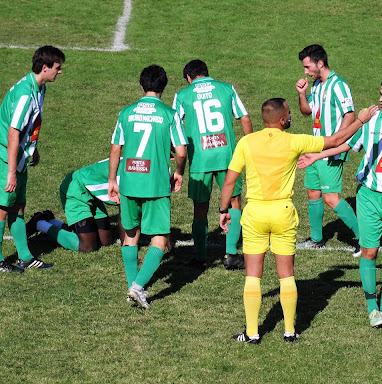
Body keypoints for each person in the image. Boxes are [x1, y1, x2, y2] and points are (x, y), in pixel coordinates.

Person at [219, 98, 377, 343]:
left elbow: (230, 181)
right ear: (282, 120)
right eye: (290, 112)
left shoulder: (246, 142)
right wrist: (360, 121)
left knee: (253, 276)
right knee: (286, 276)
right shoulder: (294, 141)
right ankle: (290, 331)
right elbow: (335, 140)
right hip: (282, 213)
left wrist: (223, 210)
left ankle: (252, 333)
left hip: (255, 213)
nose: (292, 115)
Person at [298, 76, 382, 328]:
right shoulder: (370, 122)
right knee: (369, 251)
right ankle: (372, 309)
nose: (380, 99)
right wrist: (317, 155)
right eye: (380, 94)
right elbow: (346, 145)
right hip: (369, 196)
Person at [108, 65, 187, 310]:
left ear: (141, 86)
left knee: (131, 235)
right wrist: (179, 172)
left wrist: (112, 180)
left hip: (129, 182)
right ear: (164, 87)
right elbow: (181, 151)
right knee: (159, 239)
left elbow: (116, 148)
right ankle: (137, 287)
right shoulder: (169, 114)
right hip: (156, 184)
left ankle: (133, 285)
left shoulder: (126, 113)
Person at [172, 59, 252, 270]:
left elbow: (174, 125)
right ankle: (232, 255)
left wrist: (173, 151)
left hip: (200, 159)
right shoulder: (227, 89)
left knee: (200, 208)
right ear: (207, 73)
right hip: (227, 157)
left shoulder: (182, 95)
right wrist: (251, 147)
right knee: (234, 202)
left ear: (189, 78)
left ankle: (200, 257)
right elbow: (244, 118)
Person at [0, 45, 64, 273]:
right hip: (6, 156)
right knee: (2, 207)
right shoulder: (25, 94)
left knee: (18, 206)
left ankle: (25, 257)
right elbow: (13, 133)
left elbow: (31, 123)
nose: (60, 72)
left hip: (19, 155)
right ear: (45, 67)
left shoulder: (39, 87)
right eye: (57, 68)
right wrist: (10, 171)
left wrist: (33, 149)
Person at [295, 44, 361, 256]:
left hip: (330, 150)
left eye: (308, 67)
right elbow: (306, 112)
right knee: (313, 192)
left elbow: (349, 115)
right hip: (314, 148)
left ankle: (365, 239)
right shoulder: (316, 85)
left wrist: (336, 141)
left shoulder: (339, 86)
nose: (305, 71)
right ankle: (316, 239)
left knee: (331, 197)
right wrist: (302, 94)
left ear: (320, 63)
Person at [28, 158, 121, 253]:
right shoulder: (127, 171)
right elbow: (124, 214)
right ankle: (39, 224)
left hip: (93, 195)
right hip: (76, 189)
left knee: (105, 241)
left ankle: (53, 222)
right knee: (88, 246)